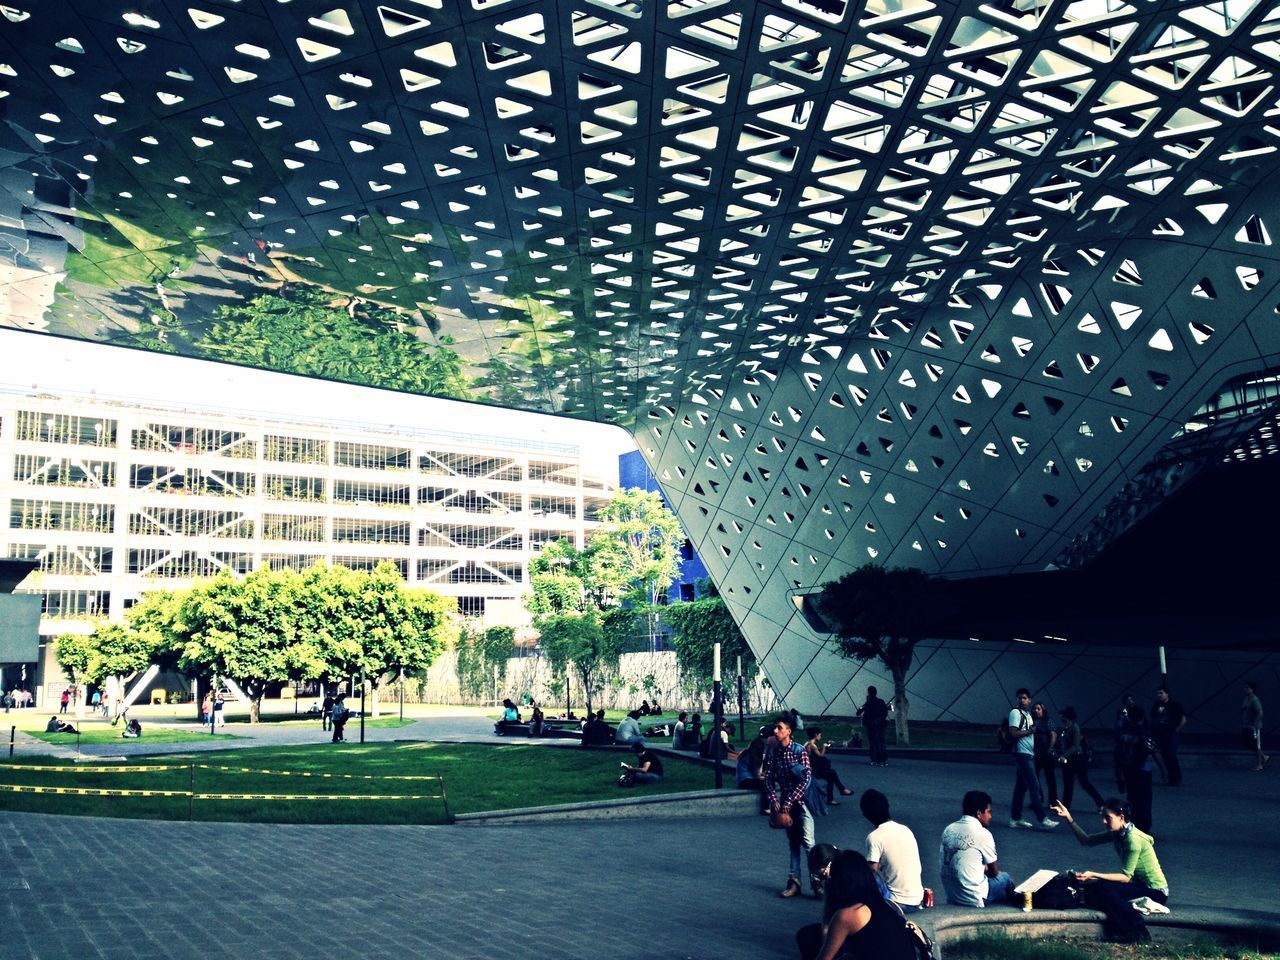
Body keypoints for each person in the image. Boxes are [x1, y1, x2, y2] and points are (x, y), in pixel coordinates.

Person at [1050, 797, 1168, 943]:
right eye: (1103, 817)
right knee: (1094, 889)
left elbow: (1125, 877)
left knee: (1102, 887)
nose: (1104, 822)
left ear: (1121, 817)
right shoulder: (1118, 834)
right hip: (1139, 886)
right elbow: (1087, 840)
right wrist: (1069, 818)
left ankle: (1138, 931)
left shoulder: (1133, 839)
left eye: (1108, 818)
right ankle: (1118, 928)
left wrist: (1093, 874)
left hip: (1156, 892)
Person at [809, 851, 917, 960]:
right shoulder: (884, 904)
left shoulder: (849, 914)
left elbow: (824, 957)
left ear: (838, 881)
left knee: (806, 939)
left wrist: (828, 900)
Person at [765, 715, 814, 898]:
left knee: (808, 843)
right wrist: (773, 798)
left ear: (789, 731)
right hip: (785, 806)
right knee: (793, 844)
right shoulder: (773, 753)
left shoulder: (799, 751)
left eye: (779, 728)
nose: (775, 731)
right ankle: (794, 883)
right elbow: (768, 778)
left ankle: (818, 882)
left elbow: (806, 779)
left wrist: (789, 800)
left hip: (801, 804)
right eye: (775, 728)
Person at [939, 789, 1015, 907]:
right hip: (974, 897)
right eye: (988, 812)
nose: (990, 816)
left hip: (952, 895)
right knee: (1005, 879)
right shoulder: (983, 833)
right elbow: (994, 872)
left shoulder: (948, 829)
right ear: (979, 813)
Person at [859, 788, 925, 912]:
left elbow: (871, 870)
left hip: (896, 903)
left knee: (864, 874)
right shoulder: (905, 829)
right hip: (916, 899)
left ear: (866, 814)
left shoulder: (874, 837)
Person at [1008, 688, 1057, 829]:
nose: (1022, 700)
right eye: (1019, 698)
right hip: (1022, 754)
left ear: (1029, 700)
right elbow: (1013, 733)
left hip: (1029, 754)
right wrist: (1030, 731)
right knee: (1034, 785)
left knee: (1021, 787)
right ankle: (1042, 818)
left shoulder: (1028, 715)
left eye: (1024, 698)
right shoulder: (1015, 713)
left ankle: (1015, 818)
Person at [1115, 704, 1154, 832]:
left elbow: (1118, 753)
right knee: (1145, 800)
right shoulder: (1145, 732)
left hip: (1128, 769)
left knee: (1132, 798)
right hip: (1143, 770)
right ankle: (1143, 827)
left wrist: (1118, 775)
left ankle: (1134, 824)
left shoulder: (1123, 732)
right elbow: (1151, 749)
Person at [1057, 706, 1105, 810]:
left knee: (1084, 783)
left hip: (1078, 759)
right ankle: (1065, 807)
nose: (1061, 719)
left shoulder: (1075, 727)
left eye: (1062, 716)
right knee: (1068, 784)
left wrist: (1063, 755)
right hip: (1069, 760)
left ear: (1067, 717)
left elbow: (1076, 746)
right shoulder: (1066, 728)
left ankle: (1101, 803)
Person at [805, 728, 853, 804]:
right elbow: (821, 756)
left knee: (831, 775)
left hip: (813, 767)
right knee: (832, 773)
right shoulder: (812, 745)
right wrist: (824, 747)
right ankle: (841, 791)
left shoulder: (808, 743)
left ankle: (833, 797)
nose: (820, 736)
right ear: (815, 735)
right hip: (813, 770)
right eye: (819, 734)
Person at [1150, 686, 1186, 785]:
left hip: (1172, 733)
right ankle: (1171, 778)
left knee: (1171, 754)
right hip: (1160, 734)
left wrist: (1176, 730)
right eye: (1158, 693)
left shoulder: (1175, 705)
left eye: (1161, 693)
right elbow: (1153, 718)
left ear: (1167, 693)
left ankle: (1177, 777)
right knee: (1165, 755)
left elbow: (1183, 719)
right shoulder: (1156, 705)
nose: (1159, 695)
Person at [1032, 701, 1059, 806]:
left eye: (1039, 709)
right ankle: (1038, 799)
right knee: (1035, 778)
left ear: (1043, 711)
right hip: (1036, 754)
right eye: (1035, 709)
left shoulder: (1048, 721)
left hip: (1046, 754)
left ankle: (1053, 802)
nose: (1036, 711)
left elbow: (1053, 735)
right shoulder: (1032, 721)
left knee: (1050, 779)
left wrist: (1050, 748)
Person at [857, 685, 890, 766]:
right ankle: (884, 760)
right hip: (881, 725)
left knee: (873, 743)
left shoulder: (868, 703)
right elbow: (885, 713)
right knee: (881, 742)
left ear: (869, 693)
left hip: (871, 725)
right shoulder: (881, 702)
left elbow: (858, 712)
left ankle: (874, 760)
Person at [1242, 680, 1269, 771]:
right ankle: (1264, 757)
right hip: (1247, 726)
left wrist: (1254, 723)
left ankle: (1260, 764)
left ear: (1252, 689)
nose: (1245, 689)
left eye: (1247, 688)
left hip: (1255, 727)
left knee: (1257, 746)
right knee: (1249, 744)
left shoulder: (1255, 700)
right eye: (1245, 687)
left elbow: (1260, 712)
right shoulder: (1246, 698)